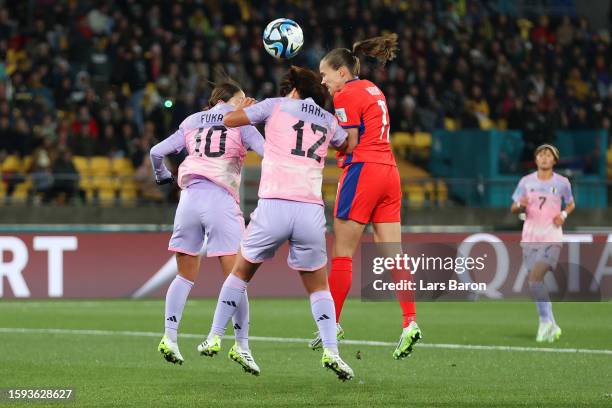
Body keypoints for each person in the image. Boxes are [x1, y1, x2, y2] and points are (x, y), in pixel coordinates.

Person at [197, 66, 354, 381]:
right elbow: (346, 144)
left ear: (293, 88)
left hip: (274, 205)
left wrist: (243, 108)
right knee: (318, 286)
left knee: (241, 272)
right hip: (309, 209)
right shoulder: (327, 118)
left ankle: (215, 336)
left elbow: (229, 121)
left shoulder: (275, 105)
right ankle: (332, 351)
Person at [316, 33, 421, 359]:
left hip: (362, 171)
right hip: (389, 172)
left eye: (325, 74)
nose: (324, 81)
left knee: (343, 254)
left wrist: (323, 133)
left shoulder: (345, 94)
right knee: (394, 253)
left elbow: (347, 141)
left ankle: (332, 324)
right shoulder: (374, 90)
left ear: (342, 73)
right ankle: (409, 322)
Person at [150, 82, 264, 369]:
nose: (245, 103)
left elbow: (156, 151)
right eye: (242, 99)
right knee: (237, 278)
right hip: (220, 201)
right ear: (232, 99)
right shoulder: (242, 120)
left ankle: (170, 337)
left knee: (184, 276)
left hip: (188, 200)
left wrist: (162, 175)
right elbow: (268, 152)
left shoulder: (191, 121)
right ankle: (241, 345)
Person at [511, 144, 574, 342]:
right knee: (535, 281)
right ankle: (551, 324)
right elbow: (514, 206)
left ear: (554, 160)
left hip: (552, 237)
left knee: (536, 276)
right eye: (541, 154)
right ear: (536, 159)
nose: (544, 158)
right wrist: (519, 205)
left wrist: (563, 214)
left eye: (548, 155)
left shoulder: (562, 182)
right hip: (530, 237)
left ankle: (545, 322)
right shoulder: (526, 182)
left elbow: (571, 203)